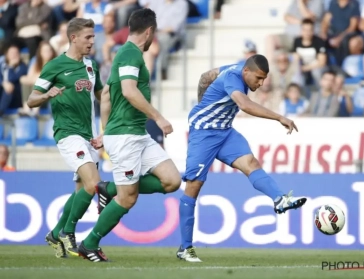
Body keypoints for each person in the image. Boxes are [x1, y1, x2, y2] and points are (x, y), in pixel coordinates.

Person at [176, 55, 307, 262]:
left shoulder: (238, 68)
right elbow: (245, 105)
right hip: (204, 132)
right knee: (194, 185)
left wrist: (205, 100)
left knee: (251, 163)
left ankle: (279, 199)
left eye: (264, 79)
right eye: (258, 78)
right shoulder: (233, 78)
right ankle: (185, 248)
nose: (261, 83)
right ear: (246, 72)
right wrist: (279, 117)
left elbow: (205, 77)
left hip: (225, 131)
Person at [78, 8, 181, 262]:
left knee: (172, 180)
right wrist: (158, 117)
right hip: (125, 136)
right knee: (128, 197)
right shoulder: (129, 54)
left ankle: (108, 187)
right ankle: (89, 244)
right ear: (149, 32)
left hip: (136, 134)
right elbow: (128, 92)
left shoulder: (126, 55)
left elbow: (107, 98)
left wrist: (103, 131)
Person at [26, 18, 107, 258]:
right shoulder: (54, 65)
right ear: (73, 38)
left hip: (89, 135)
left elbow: (103, 95)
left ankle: (54, 233)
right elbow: (31, 99)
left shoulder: (91, 65)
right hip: (68, 133)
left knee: (82, 190)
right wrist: (46, 94)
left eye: (93, 36)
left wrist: (110, 125)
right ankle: (68, 232)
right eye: (88, 37)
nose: (93, 41)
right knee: (94, 184)